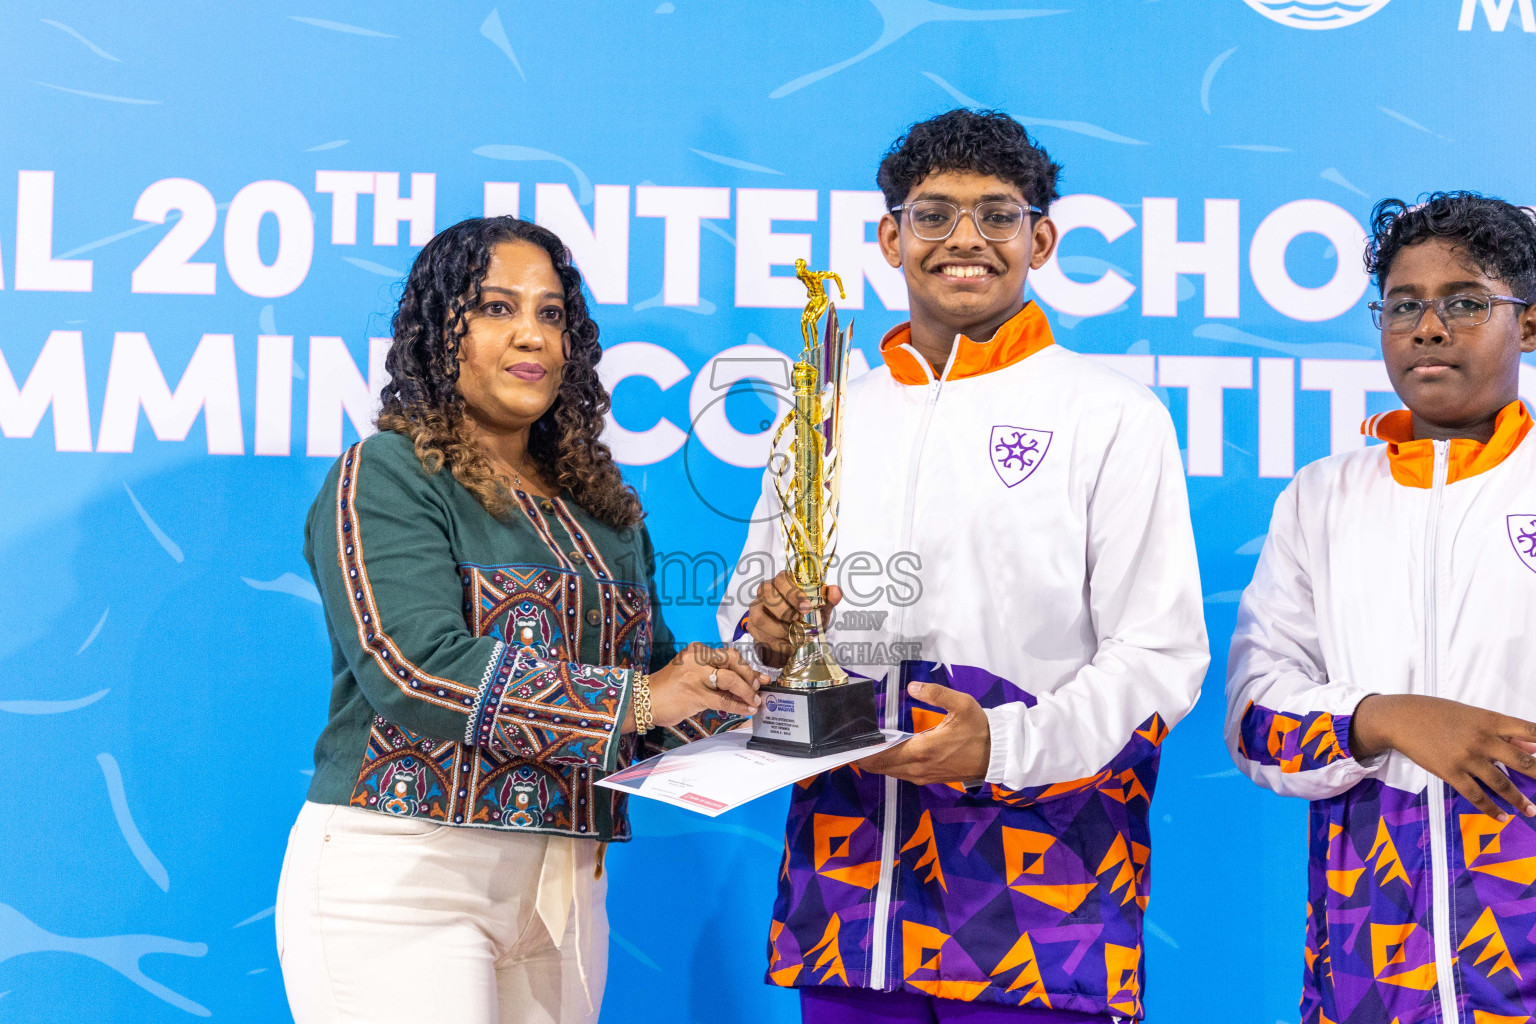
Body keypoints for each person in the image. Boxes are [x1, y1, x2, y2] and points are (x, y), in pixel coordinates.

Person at [720, 109, 1209, 1022]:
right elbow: (747, 613)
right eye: (935, 214)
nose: (966, 240)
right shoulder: (828, 411)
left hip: (1038, 899)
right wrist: (769, 633)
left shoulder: (1110, 414)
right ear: (891, 237)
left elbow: (1160, 656)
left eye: (998, 214)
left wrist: (1003, 744)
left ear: (1043, 239)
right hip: (848, 895)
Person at [276, 216, 766, 1024]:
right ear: (442, 334)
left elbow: (655, 702)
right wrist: (642, 701)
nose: (530, 335)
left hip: (567, 890)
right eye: (498, 308)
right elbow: (414, 670)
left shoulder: (603, 508)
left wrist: (757, 668)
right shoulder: (390, 475)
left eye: (550, 314)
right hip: (405, 877)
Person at [1226, 192, 1536, 1024]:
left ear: (1530, 326)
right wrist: (1385, 717)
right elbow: (1255, 720)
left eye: (1466, 303)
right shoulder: (1322, 499)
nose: (1428, 328)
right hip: (1370, 972)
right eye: (1404, 306)